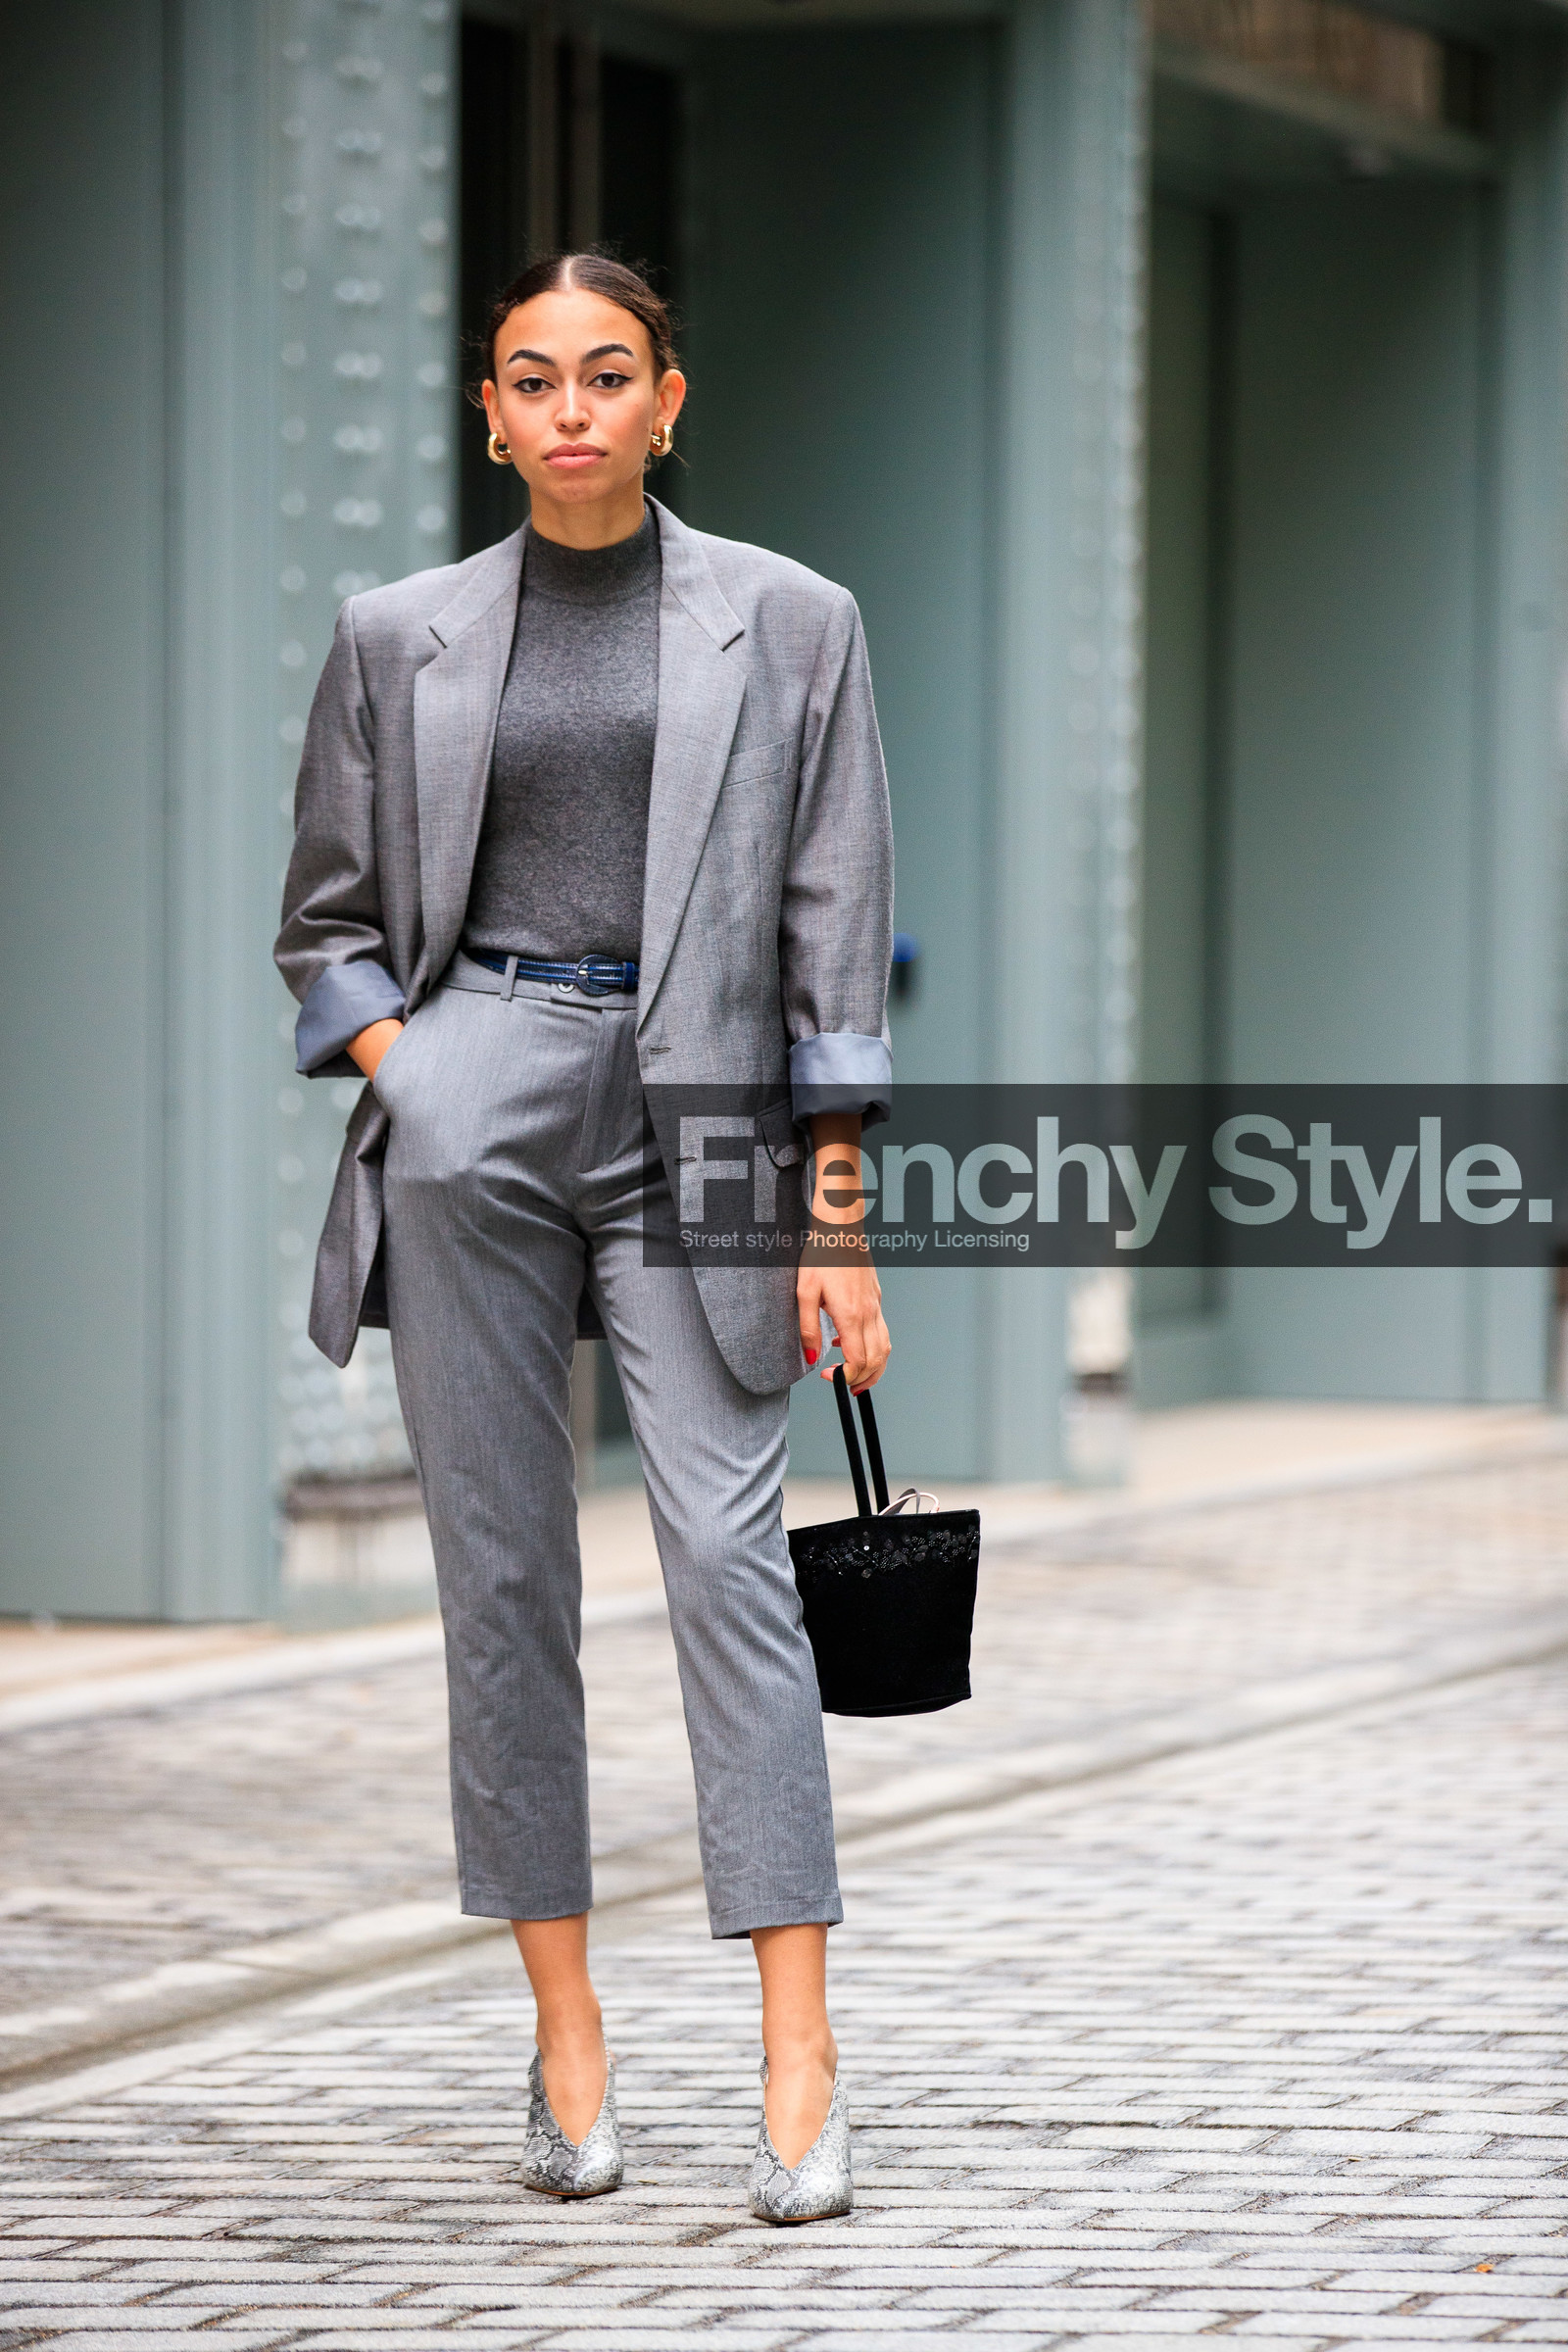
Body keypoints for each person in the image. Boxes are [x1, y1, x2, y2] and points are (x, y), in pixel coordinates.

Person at [275, 252, 894, 2222]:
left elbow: (831, 932)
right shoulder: (400, 634)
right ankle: (566, 2043)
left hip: (704, 1097)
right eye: (529, 379)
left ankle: (798, 2057)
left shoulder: (791, 625)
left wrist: (837, 1206)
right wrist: (421, 1065)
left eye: (603, 375)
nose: (567, 408)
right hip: (483, 1097)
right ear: (488, 413)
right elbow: (326, 920)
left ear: (666, 400)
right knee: (502, 1578)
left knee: (727, 1558)